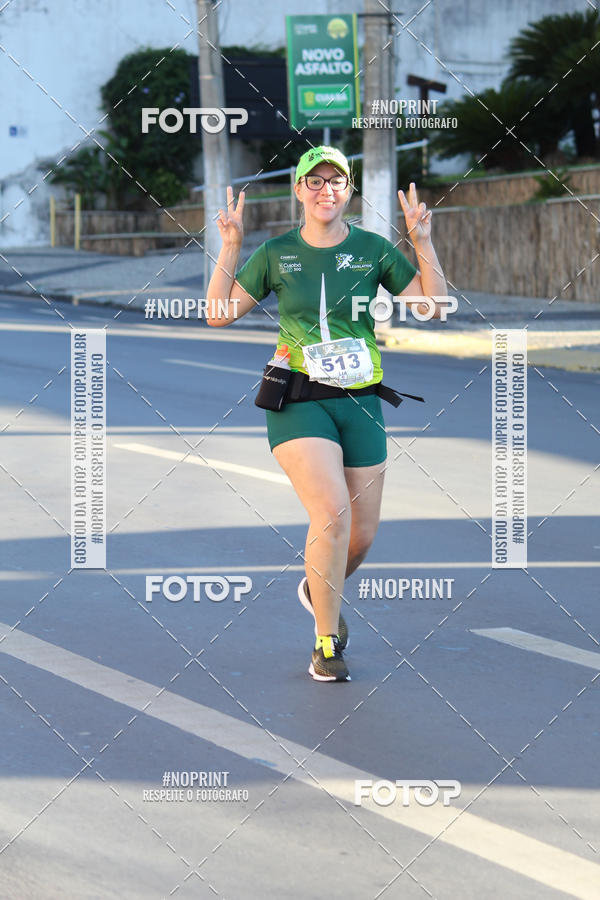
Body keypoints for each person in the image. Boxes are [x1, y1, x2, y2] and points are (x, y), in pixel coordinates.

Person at [206, 145, 448, 682]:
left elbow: (433, 307)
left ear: (348, 190)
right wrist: (230, 246)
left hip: (361, 401)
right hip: (297, 401)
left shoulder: (372, 249)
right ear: (298, 191)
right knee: (332, 515)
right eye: (313, 182)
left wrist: (423, 241)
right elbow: (218, 315)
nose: (324, 190)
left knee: (359, 536)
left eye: (335, 181)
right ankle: (325, 643)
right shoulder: (276, 253)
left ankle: (318, 584)